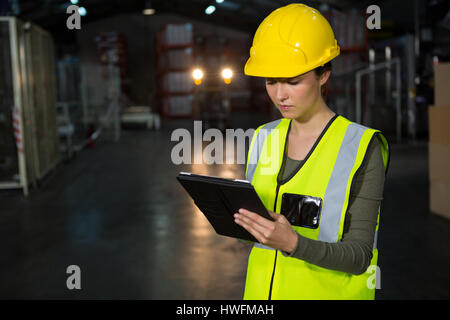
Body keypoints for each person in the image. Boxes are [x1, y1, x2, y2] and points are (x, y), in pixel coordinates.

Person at [233, 3, 390, 300]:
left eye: (293, 81)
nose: (280, 95)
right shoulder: (264, 138)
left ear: (324, 74)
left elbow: (359, 257)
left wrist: (293, 243)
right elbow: (253, 237)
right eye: (271, 81)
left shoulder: (361, 147)